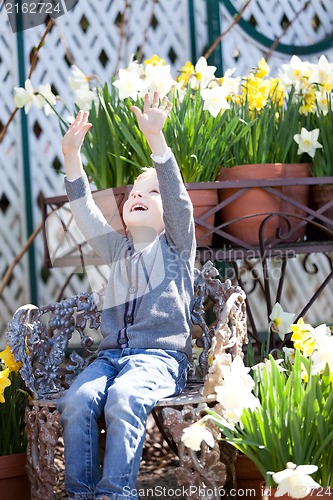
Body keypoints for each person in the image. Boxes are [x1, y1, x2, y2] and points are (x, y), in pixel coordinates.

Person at [58, 91, 196, 500]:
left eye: (150, 194)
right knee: (78, 400)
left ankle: (115, 494)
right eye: (134, 193)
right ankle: (80, 493)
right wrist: (71, 159)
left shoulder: (176, 245)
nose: (138, 196)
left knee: (124, 397)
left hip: (159, 358)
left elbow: (178, 201)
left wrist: (156, 140)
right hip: (110, 357)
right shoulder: (118, 251)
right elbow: (85, 214)